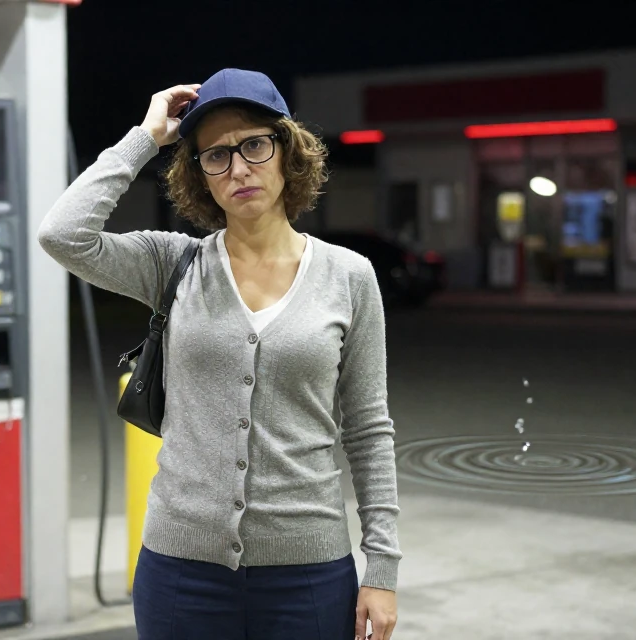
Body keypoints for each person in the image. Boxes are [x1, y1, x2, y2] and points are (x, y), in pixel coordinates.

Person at [38, 68, 401, 640]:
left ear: (288, 151)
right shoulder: (171, 263)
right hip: (181, 571)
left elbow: (368, 428)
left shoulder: (349, 277)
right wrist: (144, 138)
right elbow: (62, 234)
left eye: (254, 145)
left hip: (308, 570)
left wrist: (382, 567)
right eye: (215, 156)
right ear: (198, 175)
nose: (238, 168)